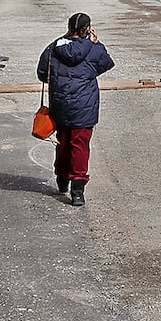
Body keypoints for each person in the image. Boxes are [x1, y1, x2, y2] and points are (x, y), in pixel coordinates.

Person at [36, 13, 114, 206]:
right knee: (80, 146)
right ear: (87, 29)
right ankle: (77, 190)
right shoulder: (94, 50)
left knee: (63, 143)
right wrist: (95, 44)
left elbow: (42, 73)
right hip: (84, 107)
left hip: (60, 104)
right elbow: (106, 64)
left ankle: (62, 178)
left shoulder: (54, 47)